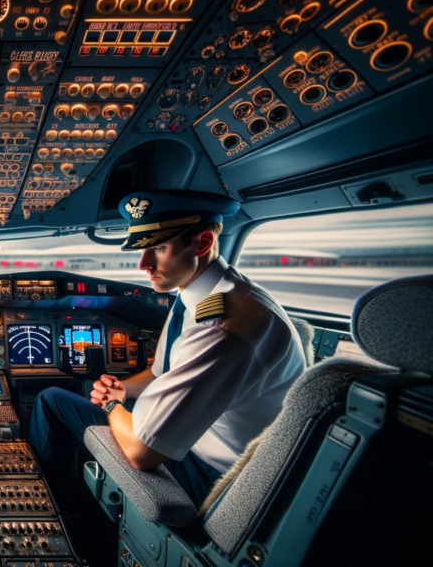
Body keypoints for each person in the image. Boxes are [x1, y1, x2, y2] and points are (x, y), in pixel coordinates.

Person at [30, 190, 307, 508]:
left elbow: (141, 454)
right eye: (142, 249)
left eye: (159, 248)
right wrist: (123, 387)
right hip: (198, 440)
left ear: (202, 243)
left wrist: (112, 405)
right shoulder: (209, 292)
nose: (143, 265)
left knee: (52, 402)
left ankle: (55, 509)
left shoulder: (222, 328)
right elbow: (162, 371)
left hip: (216, 477)